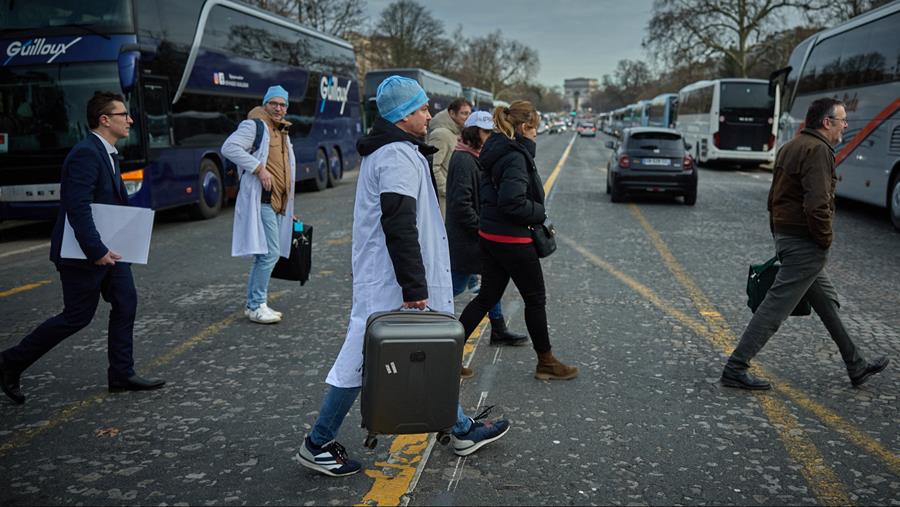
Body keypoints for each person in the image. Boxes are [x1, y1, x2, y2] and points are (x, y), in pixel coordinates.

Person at [296, 76, 509, 477]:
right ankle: (317, 442)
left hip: (396, 277)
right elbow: (399, 223)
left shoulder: (399, 150)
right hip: (393, 281)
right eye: (424, 108)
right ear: (404, 114)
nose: (430, 114)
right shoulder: (395, 155)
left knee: (424, 352)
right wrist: (414, 287)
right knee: (364, 358)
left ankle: (460, 428)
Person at [0, 91, 165, 404]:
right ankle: (10, 361)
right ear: (105, 120)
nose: (130, 120)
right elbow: (77, 205)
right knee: (76, 317)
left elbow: (109, 202)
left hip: (111, 251)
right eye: (123, 115)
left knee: (126, 302)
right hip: (85, 254)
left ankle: (121, 373)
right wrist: (96, 250)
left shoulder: (107, 152)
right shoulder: (86, 153)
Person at [720, 97, 889, 390]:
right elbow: (817, 205)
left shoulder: (792, 146)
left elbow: (775, 197)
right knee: (774, 308)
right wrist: (823, 241)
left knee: (828, 304)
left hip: (788, 236)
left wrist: (779, 234)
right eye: (842, 121)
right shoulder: (819, 150)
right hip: (805, 243)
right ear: (827, 123)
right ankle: (735, 367)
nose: (845, 126)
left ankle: (856, 364)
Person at [457, 101, 579, 381]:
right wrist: (540, 212)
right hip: (512, 239)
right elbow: (512, 203)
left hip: (491, 235)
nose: (537, 134)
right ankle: (546, 362)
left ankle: (449, 357)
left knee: (487, 296)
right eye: (535, 129)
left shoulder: (495, 148)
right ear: (524, 127)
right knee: (535, 299)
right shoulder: (514, 156)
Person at [445, 110, 528, 368]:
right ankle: (430, 334)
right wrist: (483, 229)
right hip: (468, 240)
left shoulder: (475, 158)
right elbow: (461, 205)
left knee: (488, 286)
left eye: (492, 131)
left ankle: (499, 328)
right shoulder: (463, 161)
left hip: (472, 238)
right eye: (486, 131)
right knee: (449, 292)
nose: (490, 136)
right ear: (472, 132)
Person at [221, 85, 296, 324]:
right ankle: (255, 305)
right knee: (270, 253)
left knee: (265, 253)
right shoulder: (254, 125)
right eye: (273, 103)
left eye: (282, 104)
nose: (278, 108)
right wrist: (258, 168)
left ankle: (257, 303)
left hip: (276, 202)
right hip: (262, 199)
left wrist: (288, 207)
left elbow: (284, 169)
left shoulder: (282, 130)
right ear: (265, 104)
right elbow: (229, 147)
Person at [427, 98, 472, 215]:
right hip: (443, 202)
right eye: (464, 113)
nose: (468, 117)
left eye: (469, 113)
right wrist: (448, 190)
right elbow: (433, 166)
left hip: (453, 199)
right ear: (452, 113)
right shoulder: (440, 134)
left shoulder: (457, 132)